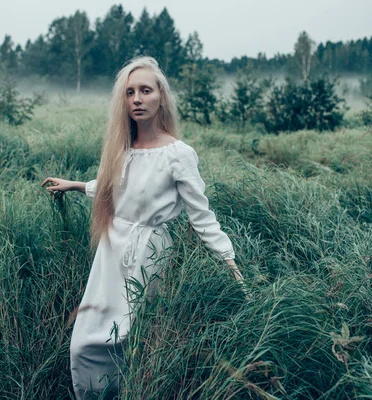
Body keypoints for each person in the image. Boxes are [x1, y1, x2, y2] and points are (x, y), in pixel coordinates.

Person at [41, 56, 248, 399]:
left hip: (149, 253)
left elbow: (202, 217)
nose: (136, 98)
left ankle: (135, 392)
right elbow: (115, 189)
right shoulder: (123, 149)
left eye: (145, 91)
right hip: (111, 250)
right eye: (129, 92)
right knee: (85, 342)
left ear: (161, 97)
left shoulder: (178, 154)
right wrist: (76, 185)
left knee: (131, 341)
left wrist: (230, 262)